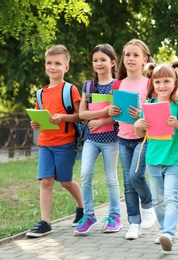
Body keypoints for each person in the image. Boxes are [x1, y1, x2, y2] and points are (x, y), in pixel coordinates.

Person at [134, 60, 178, 251]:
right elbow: (140, 133)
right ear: (153, 84)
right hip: (153, 159)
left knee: (171, 197)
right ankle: (162, 230)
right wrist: (139, 125)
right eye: (158, 82)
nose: (162, 86)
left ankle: (169, 232)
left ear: (175, 82)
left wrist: (177, 124)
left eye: (166, 81)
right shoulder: (148, 105)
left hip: (174, 159)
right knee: (158, 200)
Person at [27, 44, 84, 238]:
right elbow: (39, 116)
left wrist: (63, 117)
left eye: (58, 63)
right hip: (45, 143)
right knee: (46, 181)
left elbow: (79, 115)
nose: (53, 67)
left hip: (65, 143)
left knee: (66, 182)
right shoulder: (40, 93)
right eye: (49, 63)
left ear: (66, 67)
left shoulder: (70, 90)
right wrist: (35, 124)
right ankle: (45, 222)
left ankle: (82, 207)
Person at [108, 39, 156, 240]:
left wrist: (141, 115)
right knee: (128, 183)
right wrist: (111, 111)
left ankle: (148, 205)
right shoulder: (118, 84)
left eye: (136, 55)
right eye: (127, 54)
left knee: (136, 177)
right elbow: (114, 114)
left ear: (145, 59)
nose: (131, 58)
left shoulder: (149, 84)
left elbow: (156, 114)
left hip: (143, 138)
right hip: (123, 138)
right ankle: (133, 223)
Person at [74, 44, 122, 235]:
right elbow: (82, 113)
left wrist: (100, 121)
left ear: (112, 62)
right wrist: (101, 114)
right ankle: (89, 215)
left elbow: (119, 114)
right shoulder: (88, 86)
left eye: (103, 59)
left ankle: (115, 217)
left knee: (111, 179)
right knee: (85, 174)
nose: (99, 63)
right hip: (91, 139)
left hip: (111, 139)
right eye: (95, 60)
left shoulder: (118, 86)